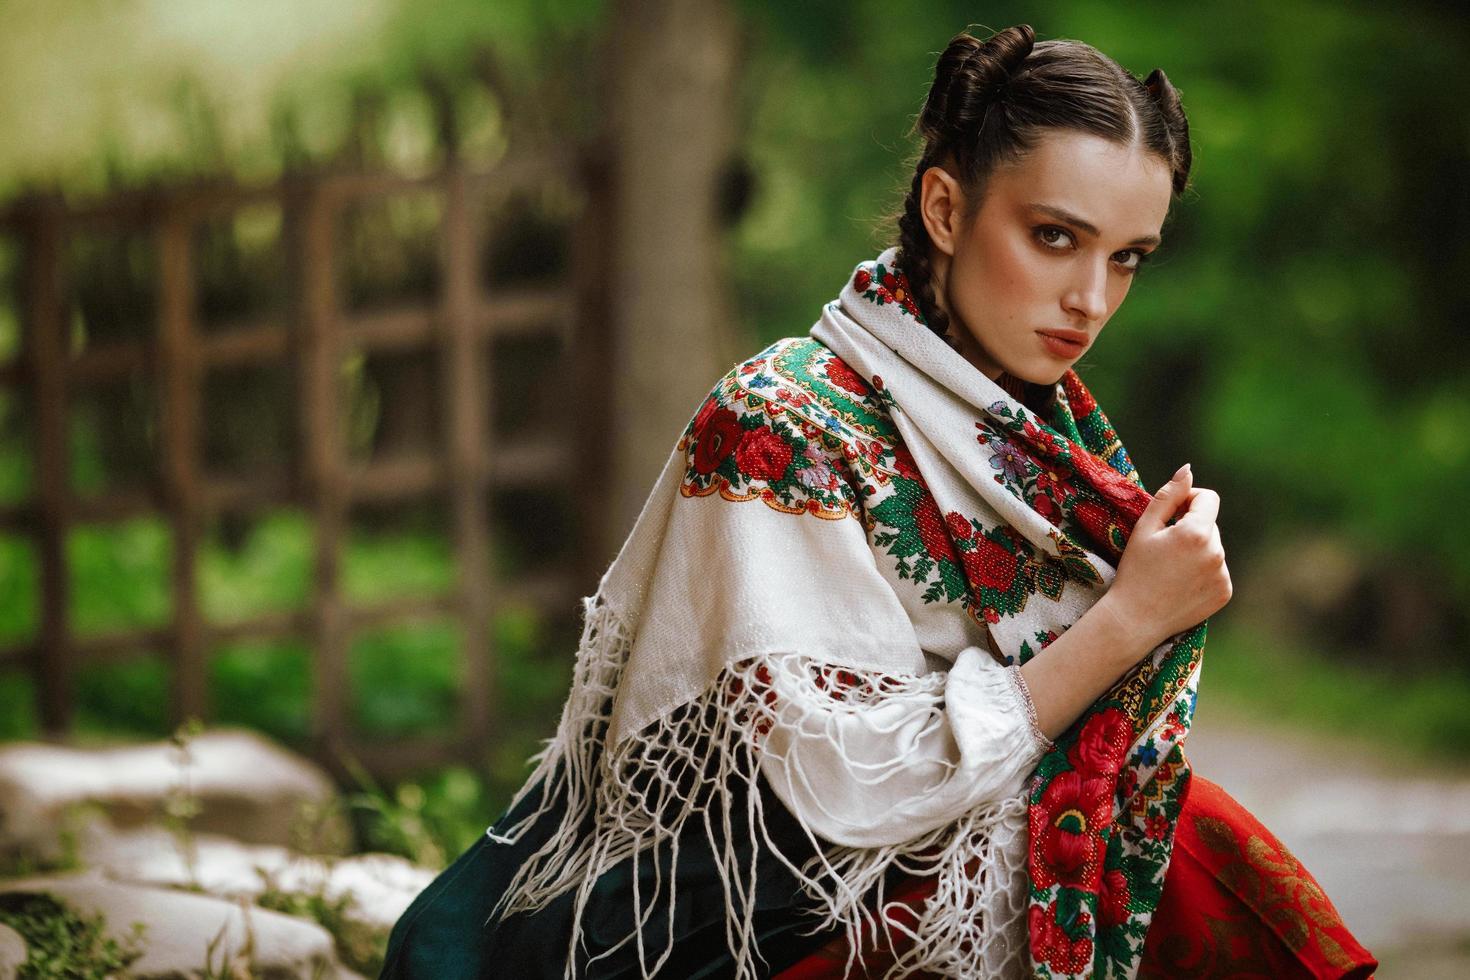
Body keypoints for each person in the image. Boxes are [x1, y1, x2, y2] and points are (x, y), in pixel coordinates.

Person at [381, 24, 1378, 979]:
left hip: (899, 873)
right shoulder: (781, 421)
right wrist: (1128, 619)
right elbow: (842, 787)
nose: (1091, 296)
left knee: (1181, 848)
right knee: (1186, 853)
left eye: (1126, 256)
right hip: (737, 918)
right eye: (1054, 236)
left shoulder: (1042, 433)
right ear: (946, 211)